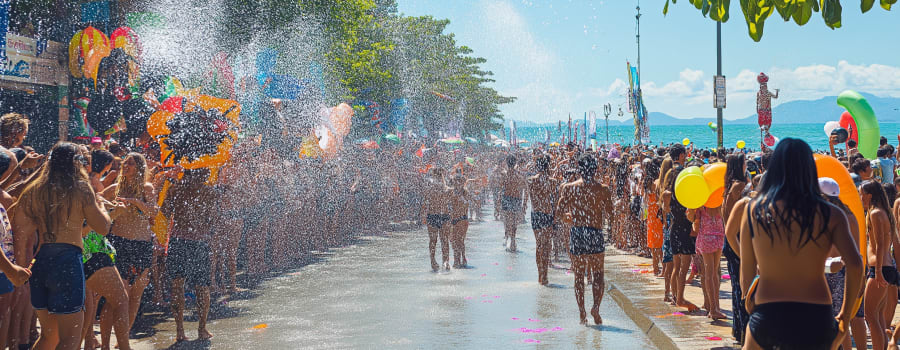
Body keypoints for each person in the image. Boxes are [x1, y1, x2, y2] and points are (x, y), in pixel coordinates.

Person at [739, 138, 863, 350]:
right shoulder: (831, 214)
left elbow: (747, 269)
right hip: (816, 313)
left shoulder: (754, 210)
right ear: (809, 169)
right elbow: (855, 264)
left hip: (769, 310)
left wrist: (751, 305)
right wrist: (845, 315)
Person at [12, 142, 121, 350]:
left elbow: (21, 232)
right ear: (75, 163)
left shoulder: (34, 190)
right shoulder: (80, 188)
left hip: (41, 261)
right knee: (70, 339)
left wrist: (20, 266)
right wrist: (102, 207)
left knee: (49, 336)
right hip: (68, 262)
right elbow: (103, 227)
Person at [100, 153, 157, 331]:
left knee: (135, 294)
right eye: (125, 163)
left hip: (142, 245)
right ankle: (111, 335)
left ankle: (124, 335)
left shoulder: (146, 188)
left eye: (130, 164)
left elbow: (153, 212)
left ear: (139, 168)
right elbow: (96, 199)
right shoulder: (115, 188)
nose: (126, 166)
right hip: (119, 243)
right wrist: (110, 207)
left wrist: (134, 202)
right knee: (119, 294)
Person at [162, 168, 216, 341]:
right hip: (199, 242)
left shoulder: (175, 189)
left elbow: (164, 211)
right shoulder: (209, 192)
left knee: (178, 285)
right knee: (202, 286)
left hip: (178, 241)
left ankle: (180, 331)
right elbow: (212, 219)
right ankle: (201, 329)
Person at [556, 154, 610, 325]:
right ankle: (596, 307)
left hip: (578, 232)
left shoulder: (569, 188)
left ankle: (582, 313)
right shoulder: (602, 189)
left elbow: (559, 213)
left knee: (579, 276)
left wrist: (569, 218)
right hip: (595, 233)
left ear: (579, 169)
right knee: (598, 274)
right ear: (595, 169)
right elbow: (610, 213)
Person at [860, 180, 899, 350]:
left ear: (869, 195)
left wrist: (877, 272)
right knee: (879, 316)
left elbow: (881, 244)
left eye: (861, 193)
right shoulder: (883, 211)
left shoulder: (875, 213)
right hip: (885, 267)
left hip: (880, 268)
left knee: (869, 315)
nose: (860, 197)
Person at [721, 154, 750, 343]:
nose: (747, 164)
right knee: (743, 288)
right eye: (745, 161)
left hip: (731, 239)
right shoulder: (739, 186)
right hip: (738, 240)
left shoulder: (729, 186)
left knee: (737, 288)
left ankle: (738, 329)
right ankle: (744, 330)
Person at [662, 165, 698, 312]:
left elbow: (666, 209)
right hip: (686, 230)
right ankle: (681, 299)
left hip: (675, 228)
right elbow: (691, 215)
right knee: (684, 267)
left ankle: (675, 297)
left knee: (676, 266)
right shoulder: (687, 193)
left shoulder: (668, 193)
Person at [527, 154, 559, 285]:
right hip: (547, 214)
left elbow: (532, 196)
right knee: (546, 246)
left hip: (535, 214)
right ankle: (545, 275)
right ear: (547, 167)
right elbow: (555, 201)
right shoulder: (552, 182)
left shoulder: (531, 180)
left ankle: (540, 274)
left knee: (539, 245)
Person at [692, 204, 726, 320]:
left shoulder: (701, 204)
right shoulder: (719, 202)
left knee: (709, 274)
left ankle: (713, 308)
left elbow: (694, 224)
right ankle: (715, 308)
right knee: (714, 274)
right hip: (719, 237)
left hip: (707, 237)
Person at [422, 168, 451, 271]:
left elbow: (425, 202)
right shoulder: (444, 189)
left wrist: (423, 215)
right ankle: (442, 261)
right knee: (442, 240)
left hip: (437, 216)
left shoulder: (444, 189)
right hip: (440, 216)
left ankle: (438, 261)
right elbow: (425, 202)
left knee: (435, 240)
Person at [499, 155, 527, 252]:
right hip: (516, 199)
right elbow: (525, 190)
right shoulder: (519, 175)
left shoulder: (504, 175)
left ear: (507, 163)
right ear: (515, 163)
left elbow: (500, 189)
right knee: (514, 222)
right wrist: (524, 204)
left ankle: (507, 237)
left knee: (507, 220)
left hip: (507, 199)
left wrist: (499, 203)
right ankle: (513, 241)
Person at [448, 175, 471, 268]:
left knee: (460, 240)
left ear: (462, 182)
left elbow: (466, 204)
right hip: (452, 219)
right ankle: (457, 258)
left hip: (462, 219)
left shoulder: (465, 192)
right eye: (456, 181)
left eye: (459, 181)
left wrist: (460, 198)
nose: (457, 183)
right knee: (453, 241)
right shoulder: (451, 192)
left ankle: (461, 258)